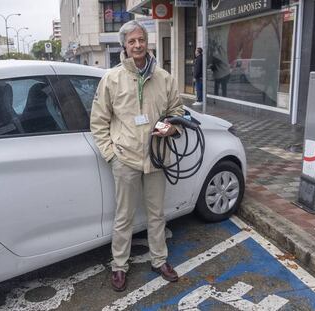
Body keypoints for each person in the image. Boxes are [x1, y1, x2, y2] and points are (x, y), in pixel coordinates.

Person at [90, 20, 183, 292]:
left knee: (157, 214)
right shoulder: (112, 78)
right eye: (131, 41)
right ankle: (119, 266)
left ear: (147, 42)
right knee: (124, 217)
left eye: (141, 39)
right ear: (125, 46)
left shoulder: (164, 78)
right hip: (125, 158)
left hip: (156, 158)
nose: (137, 45)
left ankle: (159, 260)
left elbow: (178, 111)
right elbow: (98, 122)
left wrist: (172, 127)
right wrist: (111, 155)